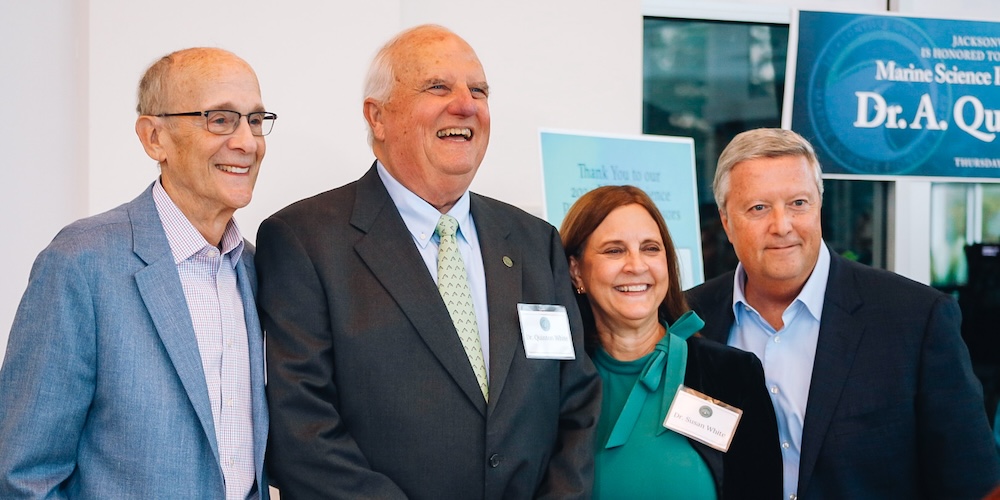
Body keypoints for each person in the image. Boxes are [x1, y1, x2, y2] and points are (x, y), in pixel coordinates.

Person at [256, 24, 601, 499]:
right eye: (438, 86)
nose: (466, 104)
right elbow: (301, 429)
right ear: (377, 117)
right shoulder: (303, 240)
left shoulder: (534, 242)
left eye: (478, 90)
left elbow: (576, 404)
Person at [0, 47, 274, 498]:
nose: (247, 142)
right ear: (154, 138)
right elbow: (24, 476)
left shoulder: (255, 266)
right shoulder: (80, 264)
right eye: (220, 119)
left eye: (256, 120)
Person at [686, 127, 1000, 499]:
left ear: (819, 205)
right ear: (726, 221)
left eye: (798, 203)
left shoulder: (915, 319)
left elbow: (974, 483)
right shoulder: (688, 319)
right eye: (758, 208)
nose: (782, 225)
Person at [560, 185, 781, 499]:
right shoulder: (553, 381)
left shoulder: (731, 374)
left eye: (650, 248)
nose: (636, 266)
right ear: (576, 271)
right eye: (614, 250)